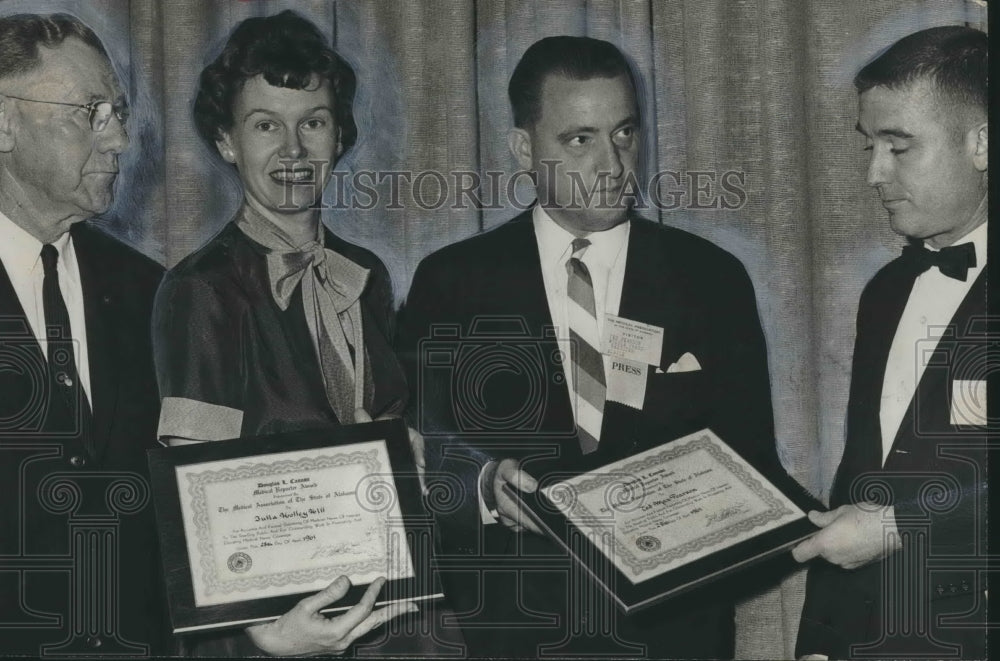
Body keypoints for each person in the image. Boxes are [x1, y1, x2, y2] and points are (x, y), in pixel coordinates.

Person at [397, 35, 817, 658]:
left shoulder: (712, 277)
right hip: (514, 633)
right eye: (579, 140)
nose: (613, 165)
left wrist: (821, 530)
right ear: (523, 148)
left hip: (677, 635)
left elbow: (750, 461)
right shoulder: (450, 281)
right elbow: (417, 459)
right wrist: (484, 489)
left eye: (624, 133)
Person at [151, 10, 447, 656]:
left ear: (339, 136)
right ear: (227, 142)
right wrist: (266, 638)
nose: (292, 150)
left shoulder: (364, 274)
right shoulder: (201, 291)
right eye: (265, 126)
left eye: (312, 122)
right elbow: (194, 505)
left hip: (392, 617)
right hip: (278, 631)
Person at [793, 26, 988, 660]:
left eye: (899, 147)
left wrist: (901, 527)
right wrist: (820, 640)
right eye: (869, 144)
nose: (873, 173)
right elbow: (861, 478)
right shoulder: (884, 291)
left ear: (982, 143)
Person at [0, 12, 168, 656]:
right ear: (5, 121)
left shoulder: (151, 291)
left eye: (119, 111)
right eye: (90, 111)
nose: (121, 138)